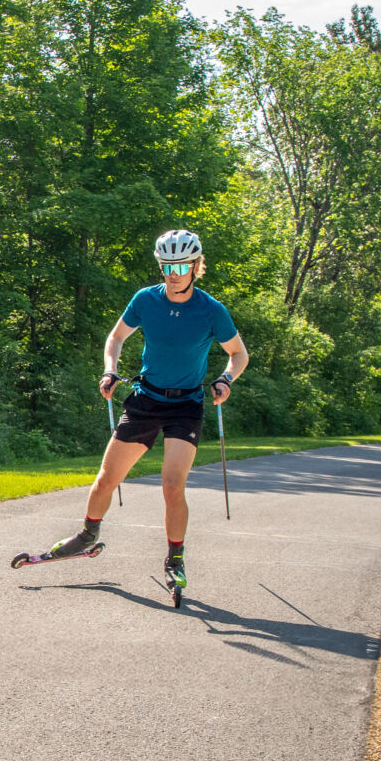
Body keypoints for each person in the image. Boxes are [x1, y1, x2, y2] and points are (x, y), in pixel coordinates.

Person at [48, 229, 248, 587]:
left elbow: (238, 354)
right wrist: (110, 369)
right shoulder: (146, 300)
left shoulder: (211, 310)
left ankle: (175, 559)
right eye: (166, 265)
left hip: (186, 406)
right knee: (107, 479)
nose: (173, 272)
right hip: (145, 399)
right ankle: (87, 535)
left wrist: (225, 380)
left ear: (196, 266)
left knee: (172, 485)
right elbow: (117, 337)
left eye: (182, 265)